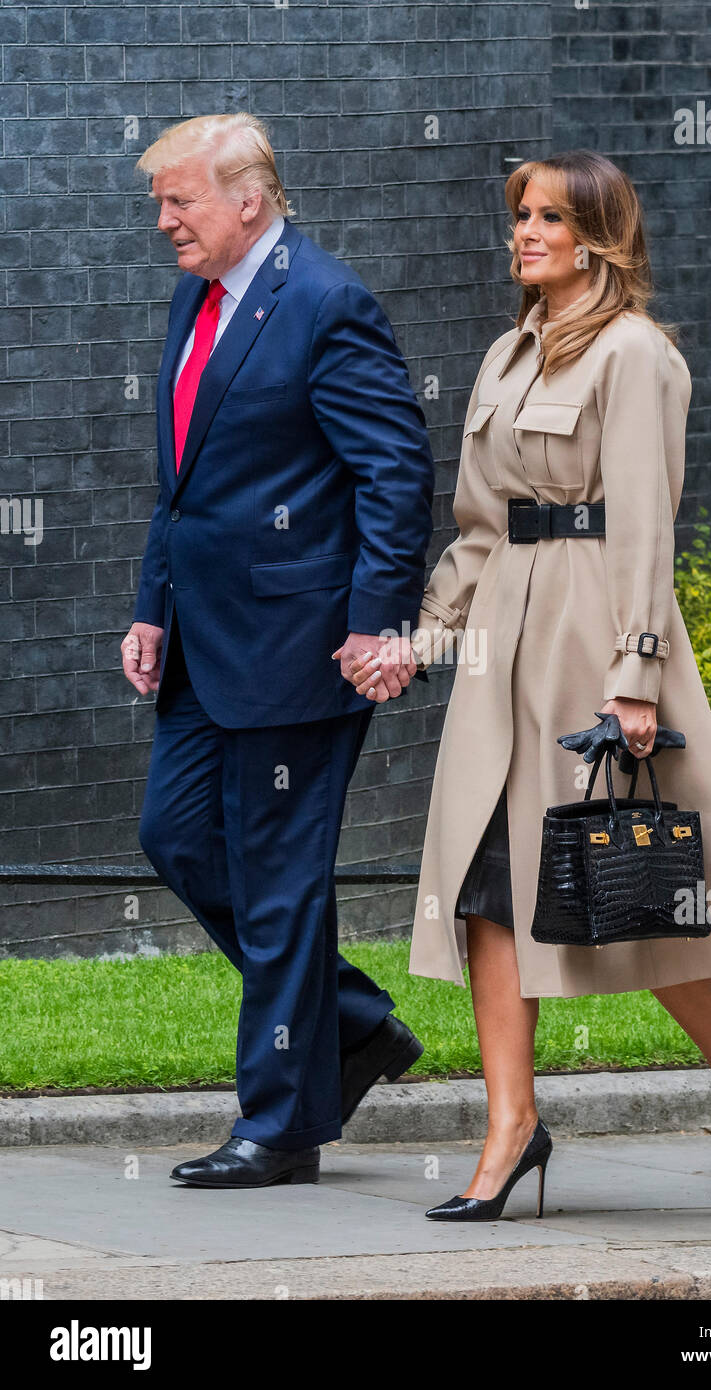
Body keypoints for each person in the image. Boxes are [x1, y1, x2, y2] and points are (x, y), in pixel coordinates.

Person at [346, 151, 711, 1218]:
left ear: (596, 233)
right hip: (499, 650)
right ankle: (510, 1127)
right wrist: (418, 639)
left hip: (591, 637)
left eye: (548, 216)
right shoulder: (506, 353)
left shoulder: (635, 353)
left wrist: (636, 676)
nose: (523, 232)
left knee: (615, 894)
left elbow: (645, 521)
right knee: (486, 891)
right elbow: (477, 528)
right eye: (519, 213)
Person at [121, 113, 433, 1188]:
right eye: (161, 202)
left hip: (301, 645)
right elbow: (184, 478)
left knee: (279, 877)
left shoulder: (323, 301)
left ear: (246, 199)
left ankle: (278, 1124)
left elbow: (394, 471)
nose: (163, 221)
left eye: (179, 200)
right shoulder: (195, 298)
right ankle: (350, 1023)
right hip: (204, 642)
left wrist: (377, 620)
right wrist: (151, 604)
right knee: (176, 834)